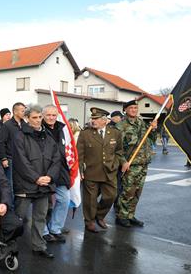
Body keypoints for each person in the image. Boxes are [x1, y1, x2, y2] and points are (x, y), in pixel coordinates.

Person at [12, 105, 60, 258]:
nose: (38, 120)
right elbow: (21, 161)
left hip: (44, 185)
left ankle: (39, 246)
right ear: (27, 118)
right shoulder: (19, 136)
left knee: (40, 217)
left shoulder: (48, 136)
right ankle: (10, 245)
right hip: (26, 185)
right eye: (34, 117)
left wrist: (49, 177)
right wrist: (36, 178)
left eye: (40, 117)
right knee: (18, 219)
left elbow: (56, 159)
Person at [77, 107, 124, 233]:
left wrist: (116, 163)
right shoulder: (85, 133)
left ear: (105, 120)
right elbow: (79, 155)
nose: (93, 121)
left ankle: (99, 216)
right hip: (91, 172)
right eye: (92, 118)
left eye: (96, 119)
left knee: (111, 196)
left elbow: (119, 151)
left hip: (110, 171)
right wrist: (80, 170)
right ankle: (89, 221)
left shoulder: (115, 133)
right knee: (90, 200)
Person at [115, 100, 157, 227]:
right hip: (130, 164)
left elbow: (150, 140)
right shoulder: (121, 126)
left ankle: (130, 215)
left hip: (143, 162)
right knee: (128, 191)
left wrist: (153, 130)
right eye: (131, 108)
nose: (134, 110)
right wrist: (123, 162)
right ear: (125, 110)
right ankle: (121, 216)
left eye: (135, 107)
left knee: (137, 192)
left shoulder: (141, 123)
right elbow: (117, 148)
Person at [41, 105, 71, 243]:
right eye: (48, 115)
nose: (51, 118)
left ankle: (55, 228)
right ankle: (43, 231)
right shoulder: (39, 129)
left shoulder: (62, 128)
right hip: (44, 170)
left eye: (54, 115)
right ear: (43, 115)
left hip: (61, 170)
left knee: (64, 199)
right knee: (41, 203)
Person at [0, 103, 27, 209]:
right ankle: (10, 208)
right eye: (22, 110)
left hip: (23, 160)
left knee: (21, 185)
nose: (24, 112)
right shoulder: (7, 125)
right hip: (10, 158)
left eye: (24, 110)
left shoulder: (25, 125)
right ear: (15, 111)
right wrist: (4, 158)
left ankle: (18, 208)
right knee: (10, 185)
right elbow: (2, 142)